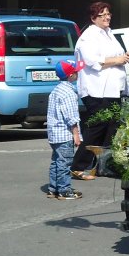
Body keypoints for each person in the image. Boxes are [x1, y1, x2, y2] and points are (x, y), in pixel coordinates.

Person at [70, 1, 129, 180]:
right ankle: (78, 166)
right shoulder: (88, 36)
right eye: (102, 15)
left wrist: (125, 56)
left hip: (113, 89)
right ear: (93, 18)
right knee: (96, 128)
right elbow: (92, 61)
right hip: (97, 90)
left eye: (108, 14)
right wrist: (118, 59)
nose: (107, 17)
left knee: (112, 128)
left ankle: (103, 166)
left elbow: (116, 55)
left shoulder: (108, 33)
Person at [46, 59, 85, 200]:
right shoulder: (68, 93)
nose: (78, 74)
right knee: (65, 162)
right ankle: (64, 190)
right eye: (76, 72)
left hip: (54, 133)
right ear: (71, 76)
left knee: (56, 161)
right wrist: (76, 135)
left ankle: (53, 188)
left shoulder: (56, 90)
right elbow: (71, 117)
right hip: (64, 134)